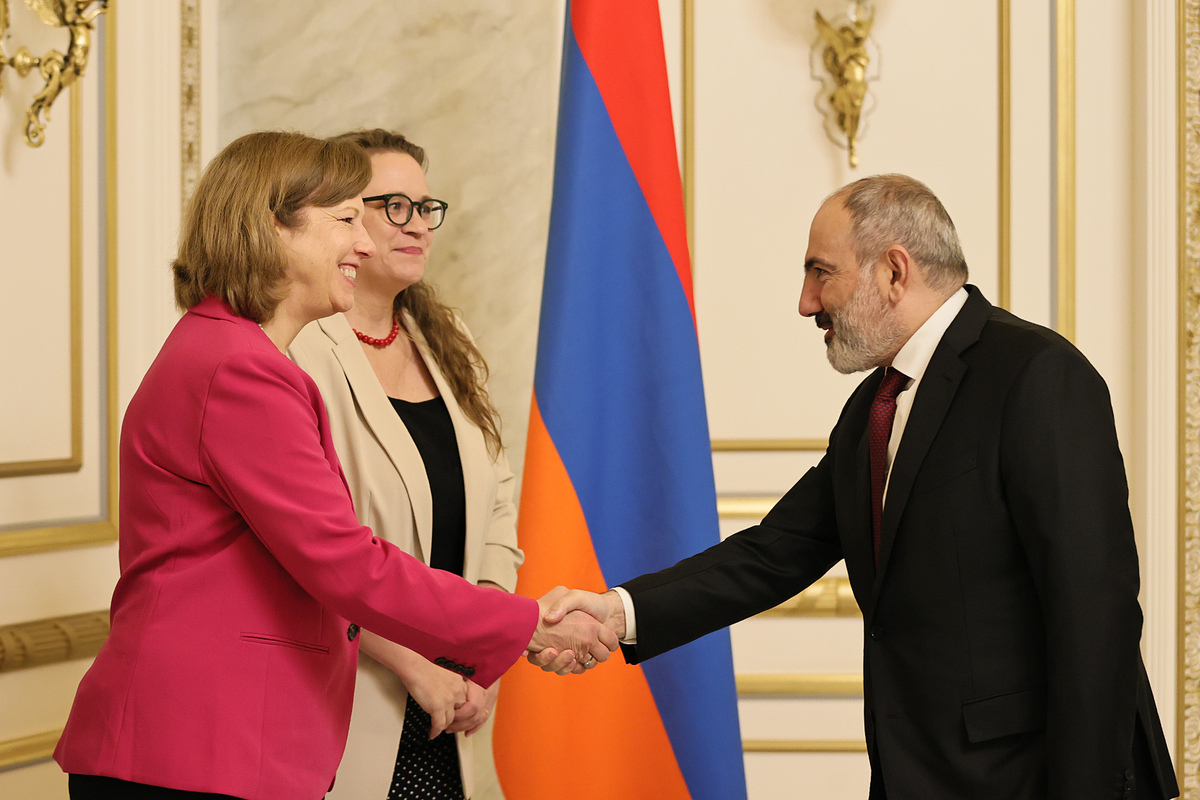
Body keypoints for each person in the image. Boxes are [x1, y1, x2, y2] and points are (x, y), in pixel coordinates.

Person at [542, 174, 1179, 800]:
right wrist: (618, 612)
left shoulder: (1038, 375)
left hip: (1029, 780)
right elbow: (773, 553)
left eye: (821, 273)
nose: (806, 302)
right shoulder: (872, 409)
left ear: (894, 271)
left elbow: (1095, 613)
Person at [53, 131, 615, 800]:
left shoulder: (235, 353)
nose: (365, 244)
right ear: (273, 227)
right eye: (346, 219)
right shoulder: (240, 370)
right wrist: (526, 624)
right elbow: (347, 563)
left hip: (220, 743)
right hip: (192, 745)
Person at [289, 128, 517, 800]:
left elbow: (498, 499)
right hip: (354, 694)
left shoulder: (446, 338)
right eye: (394, 206)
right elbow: (304, 553)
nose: (418, 224)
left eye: (425, 207)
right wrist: (416, 665)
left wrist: (487, 644)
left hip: (457, 696)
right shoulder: (300, 349)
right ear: (340, 218)